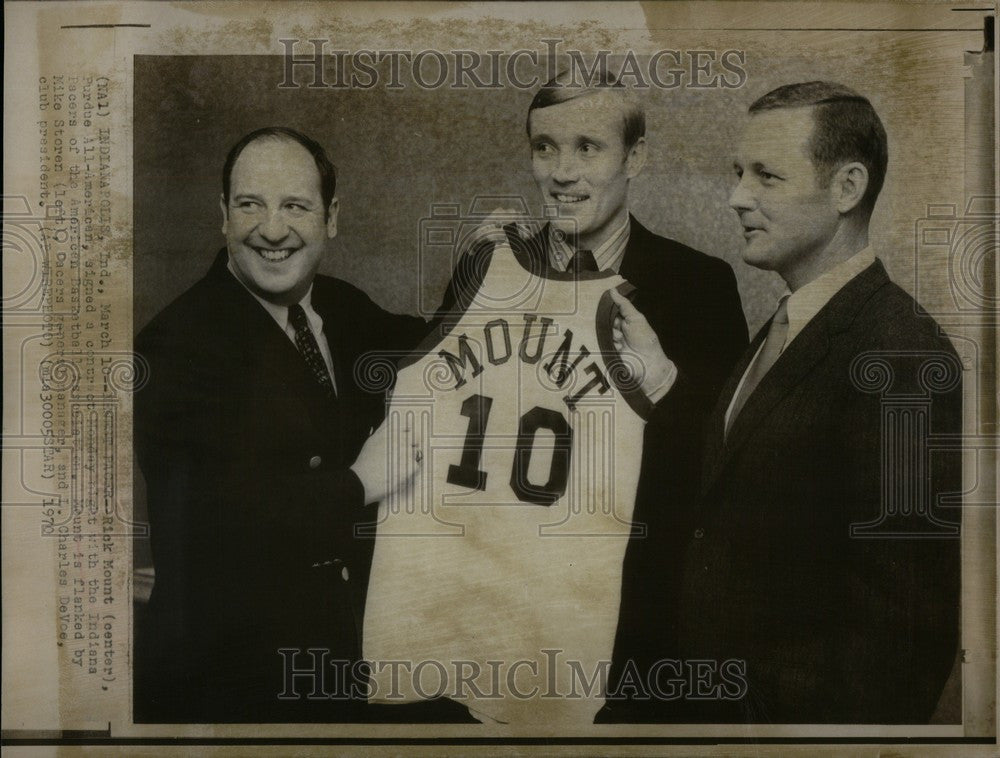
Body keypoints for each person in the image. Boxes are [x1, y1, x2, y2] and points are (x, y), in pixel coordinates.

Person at [610, 82, 962, 723]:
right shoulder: (784, 328)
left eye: (767, 176)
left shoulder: (901, 357)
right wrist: (663, 380)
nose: (736, 197)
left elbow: (901, 645)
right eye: (738, 173)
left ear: (848, 188)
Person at [432, 71, 749, 721]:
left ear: (636, 157)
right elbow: (430, 435)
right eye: (544, 148)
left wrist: (658, 386)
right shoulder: (489, 265)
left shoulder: (698, 285)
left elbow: (720, 469)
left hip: (632, 636)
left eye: (588, 148)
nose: (561, 172)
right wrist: (466, 294)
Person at [133, 127, 428, 722]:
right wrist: (363, 482)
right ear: (223, 215)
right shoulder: (172, 348)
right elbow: (218, 526)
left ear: (331, 217)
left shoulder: (340, 307)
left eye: (295, 205)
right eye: (250, 204)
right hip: (227, 684)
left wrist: (496, 262)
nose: (271, 229)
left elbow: (440, 349)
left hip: (339, 662)